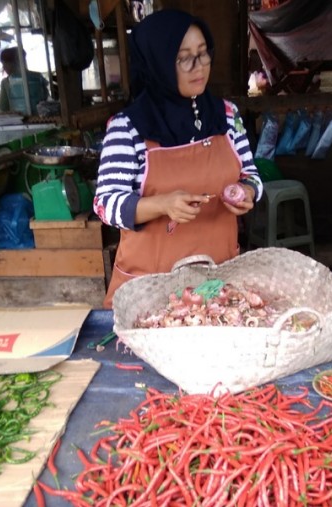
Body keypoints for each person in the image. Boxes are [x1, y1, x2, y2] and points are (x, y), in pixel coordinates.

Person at [93, 9, 263, 309]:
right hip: (150, 292)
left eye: (202, 54)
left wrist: (247, 191)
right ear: (158, 61)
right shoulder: (128, 127)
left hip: (215, 285)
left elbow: (251, 174)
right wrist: (162, 205)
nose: (198, 67)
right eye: (184, 58)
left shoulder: (227, 115)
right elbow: (105, 205)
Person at [0, 47, 49, 115]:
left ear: (14, 63)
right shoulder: (38, 76)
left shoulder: (6, 82)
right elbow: (45, 98)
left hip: (17, 121)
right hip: (39, 118)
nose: (4, 67)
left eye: (5, 64)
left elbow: (3, 107)